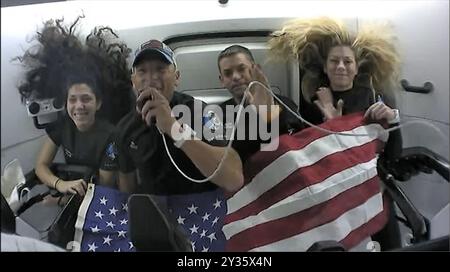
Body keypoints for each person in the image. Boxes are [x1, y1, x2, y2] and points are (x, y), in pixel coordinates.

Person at [116, 39, 244, 251]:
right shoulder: (124, 129)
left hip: (201, 221)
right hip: (157, 227)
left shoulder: (202, 112)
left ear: (176, 77)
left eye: (160, 69)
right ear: (133, 81)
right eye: (142, 71)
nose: (152, 78)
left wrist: (174, 129)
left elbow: (233, 178)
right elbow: (127, 192)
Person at [16, 18, 133, 196]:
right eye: (73, 99)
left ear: (98, 103)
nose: (79, 106)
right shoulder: (63, 125)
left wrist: (59, 201)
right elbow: (41, 166)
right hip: (73, 196)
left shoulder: (111, 136)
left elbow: (104, 186)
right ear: (66, 103)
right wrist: (59, 184)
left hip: (99, 202)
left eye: (86, 99)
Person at [217, 45, 303, 162]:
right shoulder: (218, 116)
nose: (236, 77)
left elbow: (293, 146)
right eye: (228, 73)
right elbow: (223, 159)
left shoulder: (283, 104)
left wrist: (268, 114)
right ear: (222, 80)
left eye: (241, 69)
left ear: (255, 69)